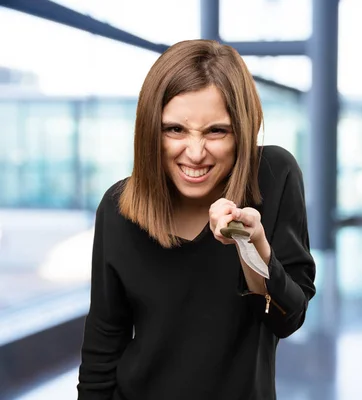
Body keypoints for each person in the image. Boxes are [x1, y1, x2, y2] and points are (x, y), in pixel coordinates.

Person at [77, 40, 316, 400]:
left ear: (243, 131)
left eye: (216, 131)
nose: (194, 153)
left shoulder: (274, 175)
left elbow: (287, 318)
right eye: (175, 129)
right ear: (150, 131)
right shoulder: (117, 207)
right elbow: (103, 345)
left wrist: (252, 248)